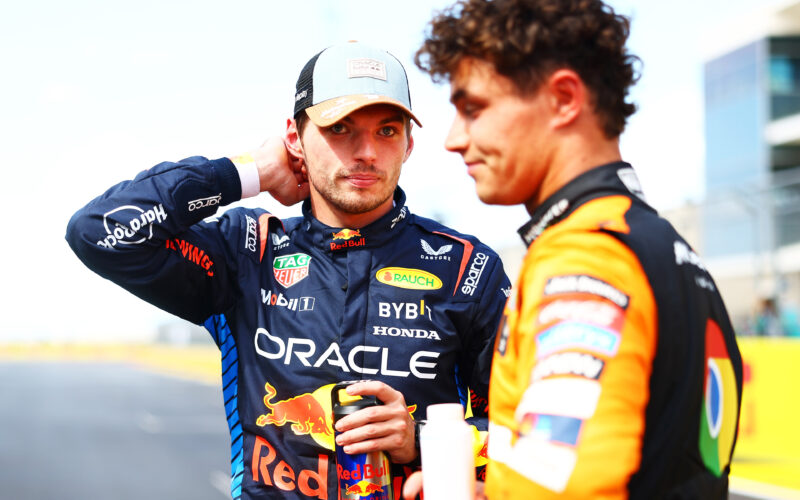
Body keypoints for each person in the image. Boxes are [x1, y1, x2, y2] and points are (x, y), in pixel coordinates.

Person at [65, 41, 510, 500]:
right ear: (294, 138)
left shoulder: (467, 269)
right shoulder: (246, 250)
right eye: (340, 127)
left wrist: (417, 437)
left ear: (409, 145)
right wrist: (249, 173)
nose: (367, 153)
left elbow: (532, 435)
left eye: (387, 131)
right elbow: (99, 231)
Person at [408, 1, 744, 498]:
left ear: (564, 98)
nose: (454, 139)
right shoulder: (660, 244)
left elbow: (567, 487)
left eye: (473, 108)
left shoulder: (587, 255)